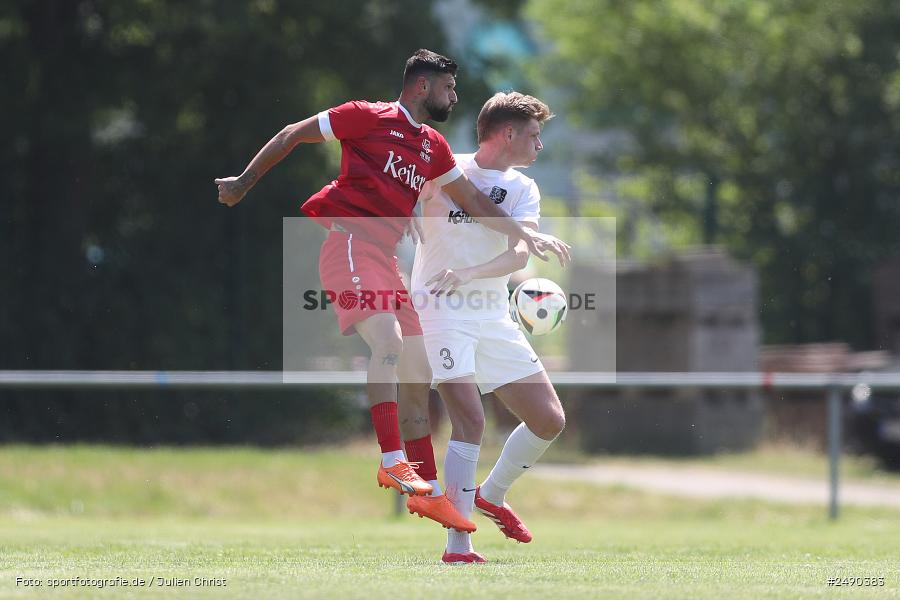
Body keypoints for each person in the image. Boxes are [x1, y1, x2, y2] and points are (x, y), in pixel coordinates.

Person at [215, 50, 570, 533]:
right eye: (449, 88)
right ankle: (391, 460)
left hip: (389, 263)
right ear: (423, 86)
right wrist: (243, 181)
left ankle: (430, 493)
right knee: (390, 344)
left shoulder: (434, 147)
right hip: (351, 244)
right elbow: (291, 133)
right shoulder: (367, 116)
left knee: (416, 373)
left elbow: (469, 199)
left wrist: (523, 234)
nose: (455, 97)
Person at [410, 92, 568, 563]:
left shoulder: (523, 188)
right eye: (534, 135)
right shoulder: (446, 168)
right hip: (440, 309)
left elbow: (518, 254)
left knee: (549, 419)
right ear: (508, 134)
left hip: (492, 313)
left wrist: (469, 274)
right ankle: (458, 546)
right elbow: (399, 198)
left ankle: (492, 495)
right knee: (471, 420)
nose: (540, 145)